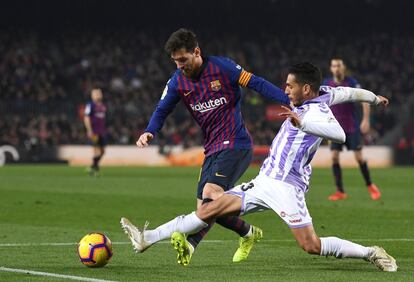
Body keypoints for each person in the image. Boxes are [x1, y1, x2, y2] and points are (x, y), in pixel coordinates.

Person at [121, 62, 397, 272]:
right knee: (207, 208)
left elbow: (340, 135)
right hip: (265, 180)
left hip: (288, 187)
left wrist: (303, 124)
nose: (285, 90)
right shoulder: (324, 92)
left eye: (290, 86)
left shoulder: (318, 112)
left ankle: (370, 252)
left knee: (311, 246)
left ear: (307, 89)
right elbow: (350, 92)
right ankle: (147, 238)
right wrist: (375, 98)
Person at [136, 28, 290, 265]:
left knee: (210, 196)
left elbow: (256, 83)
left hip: (236, 144)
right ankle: (247, 233)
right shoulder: (178, 81)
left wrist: (289, 101)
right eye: (175, 61)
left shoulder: (223, 68)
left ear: (196, 52)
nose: (179, 66)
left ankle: (192, 242)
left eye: (183, 60)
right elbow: (162, 109)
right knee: (204, 211)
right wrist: (149, 131)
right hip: (211, 150)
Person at [323, 58, 381, 201]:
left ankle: (370, 185)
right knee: (334, 157)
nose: (336, 68)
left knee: (359, 157)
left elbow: (364, 99)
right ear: (331, 69)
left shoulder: (351, 82)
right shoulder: (326, 84)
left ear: (343, 68)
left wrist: (366, 119)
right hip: (334, 128)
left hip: (351, 126)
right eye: (334, 66)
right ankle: (340, 191)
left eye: (339, 66)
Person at [83, 88, 107, 176]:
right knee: (96, 151)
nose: (98, 95)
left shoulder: (103, 106)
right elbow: (86, 118)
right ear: (92, 96)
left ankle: (93, 167)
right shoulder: (90, 105)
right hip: (94, 132)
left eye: (99, 93)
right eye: (96, 94)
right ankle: (95, 170)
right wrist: (89, 130)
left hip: (102, 132)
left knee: (103, 151)